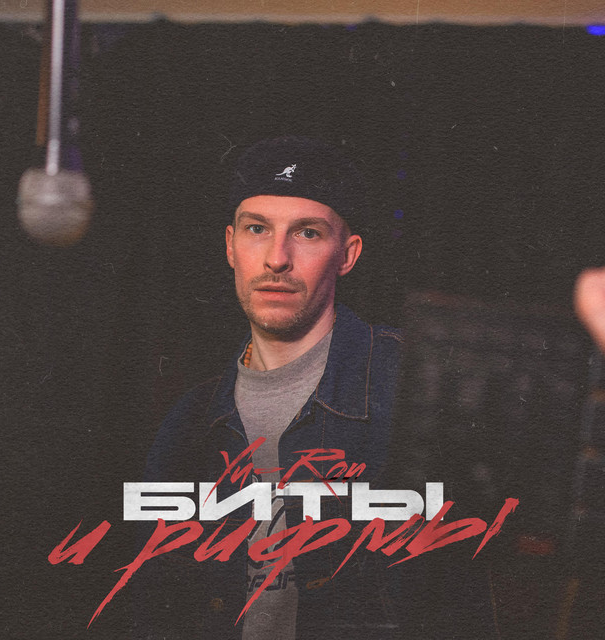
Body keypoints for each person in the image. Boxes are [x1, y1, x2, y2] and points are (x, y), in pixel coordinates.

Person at [133, 136, 496, 639]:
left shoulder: (413, 387)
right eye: (257, 229)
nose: (276, 258)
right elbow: (156, 608)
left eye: (307, 233)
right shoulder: (191, 421)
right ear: (230, 246)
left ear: (347, 254)